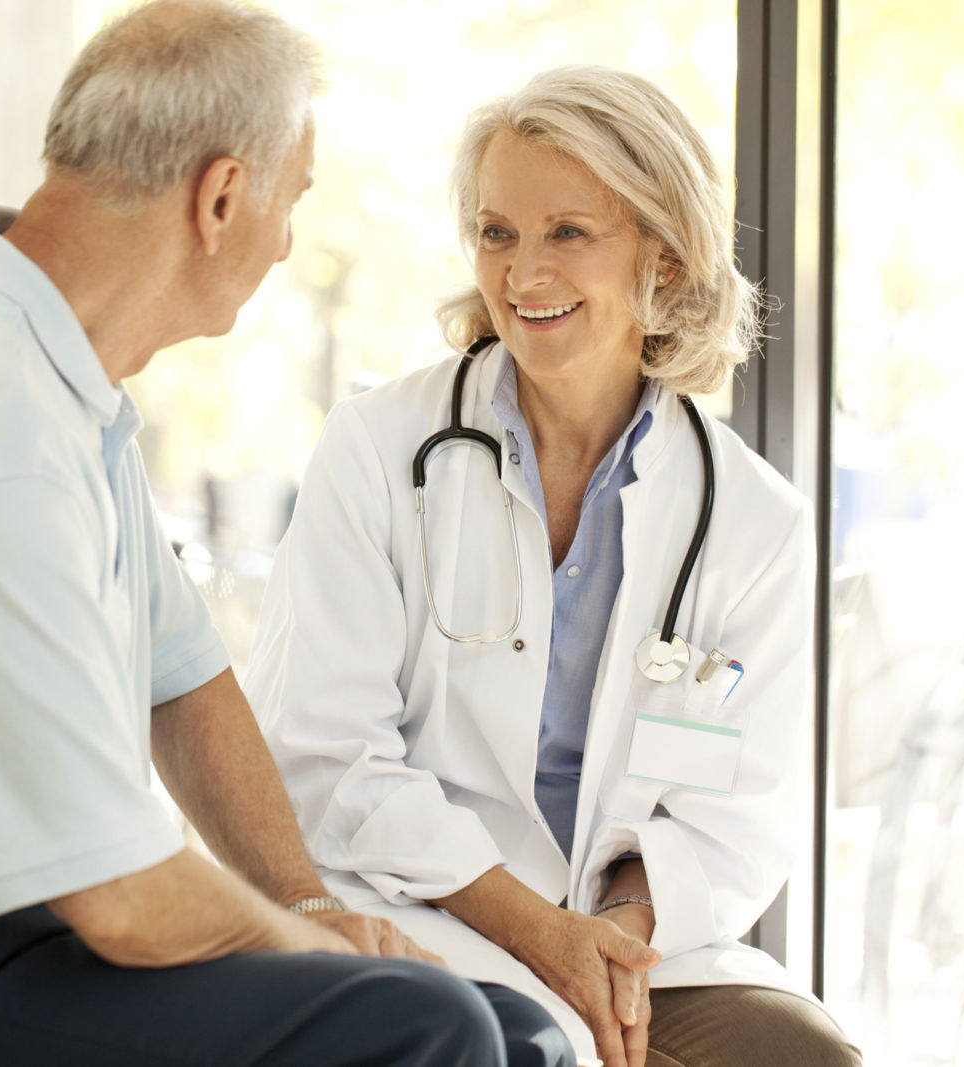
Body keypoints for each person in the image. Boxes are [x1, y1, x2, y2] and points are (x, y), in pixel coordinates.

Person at [0, 3, 576, 1065]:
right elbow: (123, 896)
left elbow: (182, 683)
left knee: (517, 1032)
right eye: (294, 202)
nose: (286, 244)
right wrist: (318, 952)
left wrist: (306, 902)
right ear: (222, 196)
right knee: (429, 1025)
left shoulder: (45, 378)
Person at [245, 66, 864, 1067]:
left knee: (799, 1053)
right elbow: (328, 752)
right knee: (531, 1046)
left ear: (663, 257)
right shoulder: (377, 448)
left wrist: (607, 941)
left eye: (567, 233)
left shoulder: (752, 521)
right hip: (415, 906)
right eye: (497, 232)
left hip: (635, 940)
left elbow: (735, 812)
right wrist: (541, 935)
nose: (522, 272)